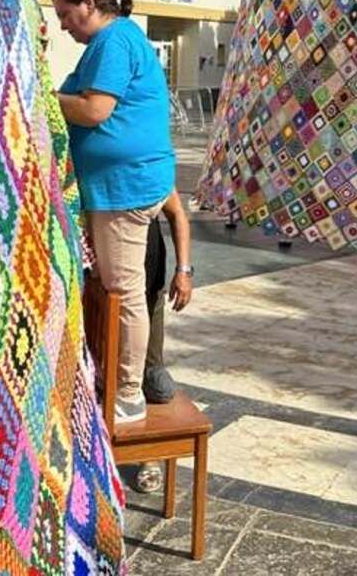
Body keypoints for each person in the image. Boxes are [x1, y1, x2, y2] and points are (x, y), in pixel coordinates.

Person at [53, 0, 176, 425]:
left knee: (124, 293)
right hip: (117, 188)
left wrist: (41, 99)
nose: (65, 25)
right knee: (115, 290)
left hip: (125, 188)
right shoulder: (108, 45)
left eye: (67, 14)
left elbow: (93, 109)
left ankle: (128, 393)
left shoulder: (113, 41)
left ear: (88, 2)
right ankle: (116, 378)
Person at [135, 189, 194, 493]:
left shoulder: (148, 154)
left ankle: (150, 456)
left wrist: (183, 270)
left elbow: (176, 213)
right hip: (102, 280)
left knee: (151, 374)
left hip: (148, 277)